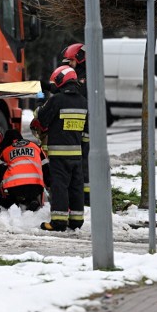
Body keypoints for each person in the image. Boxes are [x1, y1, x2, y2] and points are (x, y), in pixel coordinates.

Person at [33, 65, 87, 231]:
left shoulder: (56, 100)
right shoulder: (83, 101)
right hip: (77, 153)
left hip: (58, 153)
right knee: (76, 187)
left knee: (60, 186)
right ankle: (76, 221)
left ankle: (58, 222)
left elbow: (41, 119)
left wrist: (41, 101)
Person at [62, 43, 91, 206]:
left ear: (80, 58)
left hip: (85, 128)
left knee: (84, 163)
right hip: (82, 127)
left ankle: (86, 197)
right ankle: (83, 195)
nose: (68, 63)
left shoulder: (83, 78)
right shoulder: (79, 74)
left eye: (70, 60)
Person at [0, 129, 46, 211]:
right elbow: (45, 166)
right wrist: (49, 183)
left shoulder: (6, 150)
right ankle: (32, 200)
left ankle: (14, 201)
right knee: (32, 194)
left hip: (14, 187)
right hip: (35, 187)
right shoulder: (35, 146)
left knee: (12, 196)